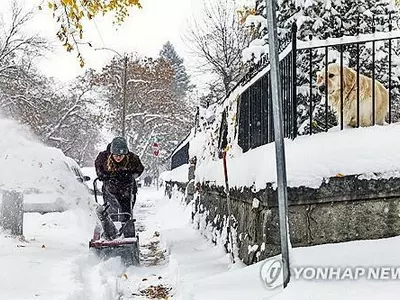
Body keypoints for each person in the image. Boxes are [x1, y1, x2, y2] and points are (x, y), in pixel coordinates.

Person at [95, 137, 144, 222]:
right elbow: (98, 168)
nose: (118, 158)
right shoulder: (103, 157)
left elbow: (140, 169)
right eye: (116, 155)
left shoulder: (132, 158)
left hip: (127, 189)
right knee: (111, 211)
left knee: (126, 212)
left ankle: (126, 225)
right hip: (110, 188)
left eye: (121, 156)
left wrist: (130, 176)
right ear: (111, 153)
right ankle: (111, 228)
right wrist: (102, 175)